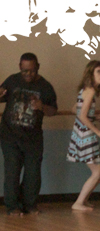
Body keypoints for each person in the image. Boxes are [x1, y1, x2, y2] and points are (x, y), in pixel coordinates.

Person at [0, 53, 58, 216]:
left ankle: (29, 204)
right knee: (12, 172)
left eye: (32, 71)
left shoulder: (45, 87)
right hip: (10, 136)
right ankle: (12, 207)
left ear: (37, 67)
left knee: (33, 173)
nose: (28, 74)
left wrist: (42, 107)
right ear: (20, 67)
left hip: (33, 137)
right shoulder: (12, 81)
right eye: (25, 71)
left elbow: (53, 110)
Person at [66, 60, 100, 211]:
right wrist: (98, 131)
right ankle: (78, 203)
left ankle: (83, 200)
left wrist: (93, 115)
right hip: (85, 136)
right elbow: (82, 116)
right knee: (97, 172)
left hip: (82, 134)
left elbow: (75, 109)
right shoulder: (90, 91)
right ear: (90, 74)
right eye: (98, 71)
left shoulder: (85, 91)